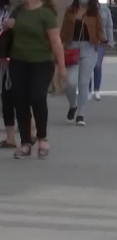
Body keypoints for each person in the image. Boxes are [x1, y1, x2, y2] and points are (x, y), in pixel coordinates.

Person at [4, 0, 65, 158]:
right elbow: (7, 33)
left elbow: (56, 41)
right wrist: (7, 25)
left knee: (37, 97)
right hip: (18, 61)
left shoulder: (46, 13)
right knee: (20, 100)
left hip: (42, 62)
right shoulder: (18, 10)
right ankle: (25, 142)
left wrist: (62, 67)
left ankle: (42, 138)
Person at [60, 0, 105, 127]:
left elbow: (100, 28)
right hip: (72, 47)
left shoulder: (94, 11)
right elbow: (64, 30)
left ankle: (81, 114)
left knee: (84, 82)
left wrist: (103, 39)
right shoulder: (70, 10)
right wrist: (58, 43)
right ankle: (73, 105)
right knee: (70, 82)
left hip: (89, 48)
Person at [1, 0, 17, 148]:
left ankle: (31, 132)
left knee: (12, 95)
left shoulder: (17, 11)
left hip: (13, 58)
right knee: (6, 96)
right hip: (7, 56)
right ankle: (10, 137)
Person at [90, 0, 112, 100]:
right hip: (88, 41)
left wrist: (110, 41)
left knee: (97, 65)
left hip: (100, 41)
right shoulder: (85, 8)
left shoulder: (104, 9)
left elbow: (109, 26)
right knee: (88, 66)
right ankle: (88, 90)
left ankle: (96, 90)